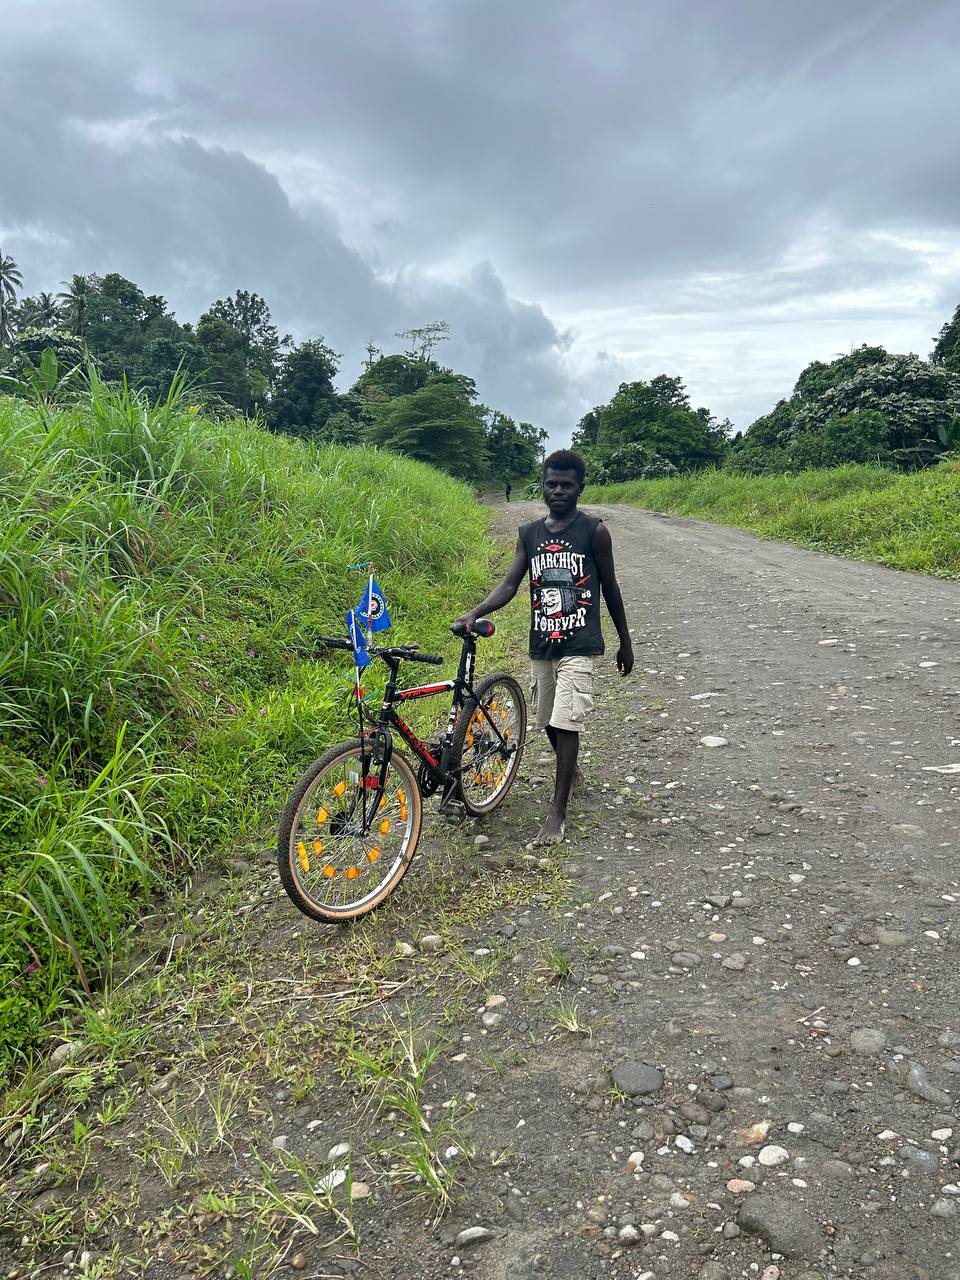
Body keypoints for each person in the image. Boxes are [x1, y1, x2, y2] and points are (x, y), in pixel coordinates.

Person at [453, 448, 634, 845]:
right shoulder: (529, 534)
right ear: (543, 484)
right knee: (548, 721)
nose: (558, 491)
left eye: (566, 486)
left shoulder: (594, 531)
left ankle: (557, 812)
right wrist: (475, 611)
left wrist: (625, 641)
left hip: (579, 640)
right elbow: (509, 585)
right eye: (552, 484)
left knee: (567, 720)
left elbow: (611, 588)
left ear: (579, 488)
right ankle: (573, 773)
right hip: (542, 642)